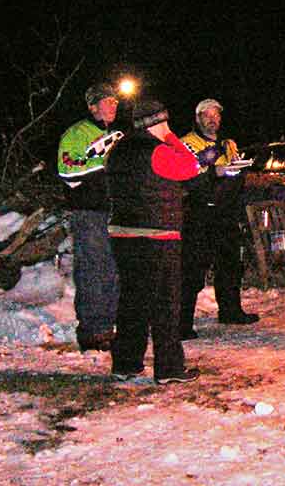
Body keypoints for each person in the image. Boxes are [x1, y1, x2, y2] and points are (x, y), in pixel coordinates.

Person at [106, 98, 201, 384]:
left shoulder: (117, 150)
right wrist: (170, 137)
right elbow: (191, 167)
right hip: (157, 235)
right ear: (157, 123)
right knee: (165, 303)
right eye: (165, 122)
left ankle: (126, 363)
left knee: (132, 301)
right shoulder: (158, 151)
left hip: (123, 233)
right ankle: (169, 368)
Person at [179, 99, 259, 339]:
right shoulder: (186, 143)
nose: (213, 120)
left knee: (231, 264)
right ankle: (182, 323)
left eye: (216, 116)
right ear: (198, 118)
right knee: (192, 269)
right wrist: (215, 170)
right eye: (207, 115)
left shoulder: (229, 144)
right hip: (200, 213)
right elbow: (188, 177)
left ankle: (231, 311)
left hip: (226, 212)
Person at [56, 82, 121, 351]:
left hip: (114, 211)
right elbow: (67, 168)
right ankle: (94, 330)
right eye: (108, 100)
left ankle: (113, 323)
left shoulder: (117, 135)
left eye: (116, 101)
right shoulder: (76, 133)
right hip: (89, 212)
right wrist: (100, 162)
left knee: (114, 269)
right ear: (93, 106)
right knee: (93, 269)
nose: (114, 105)